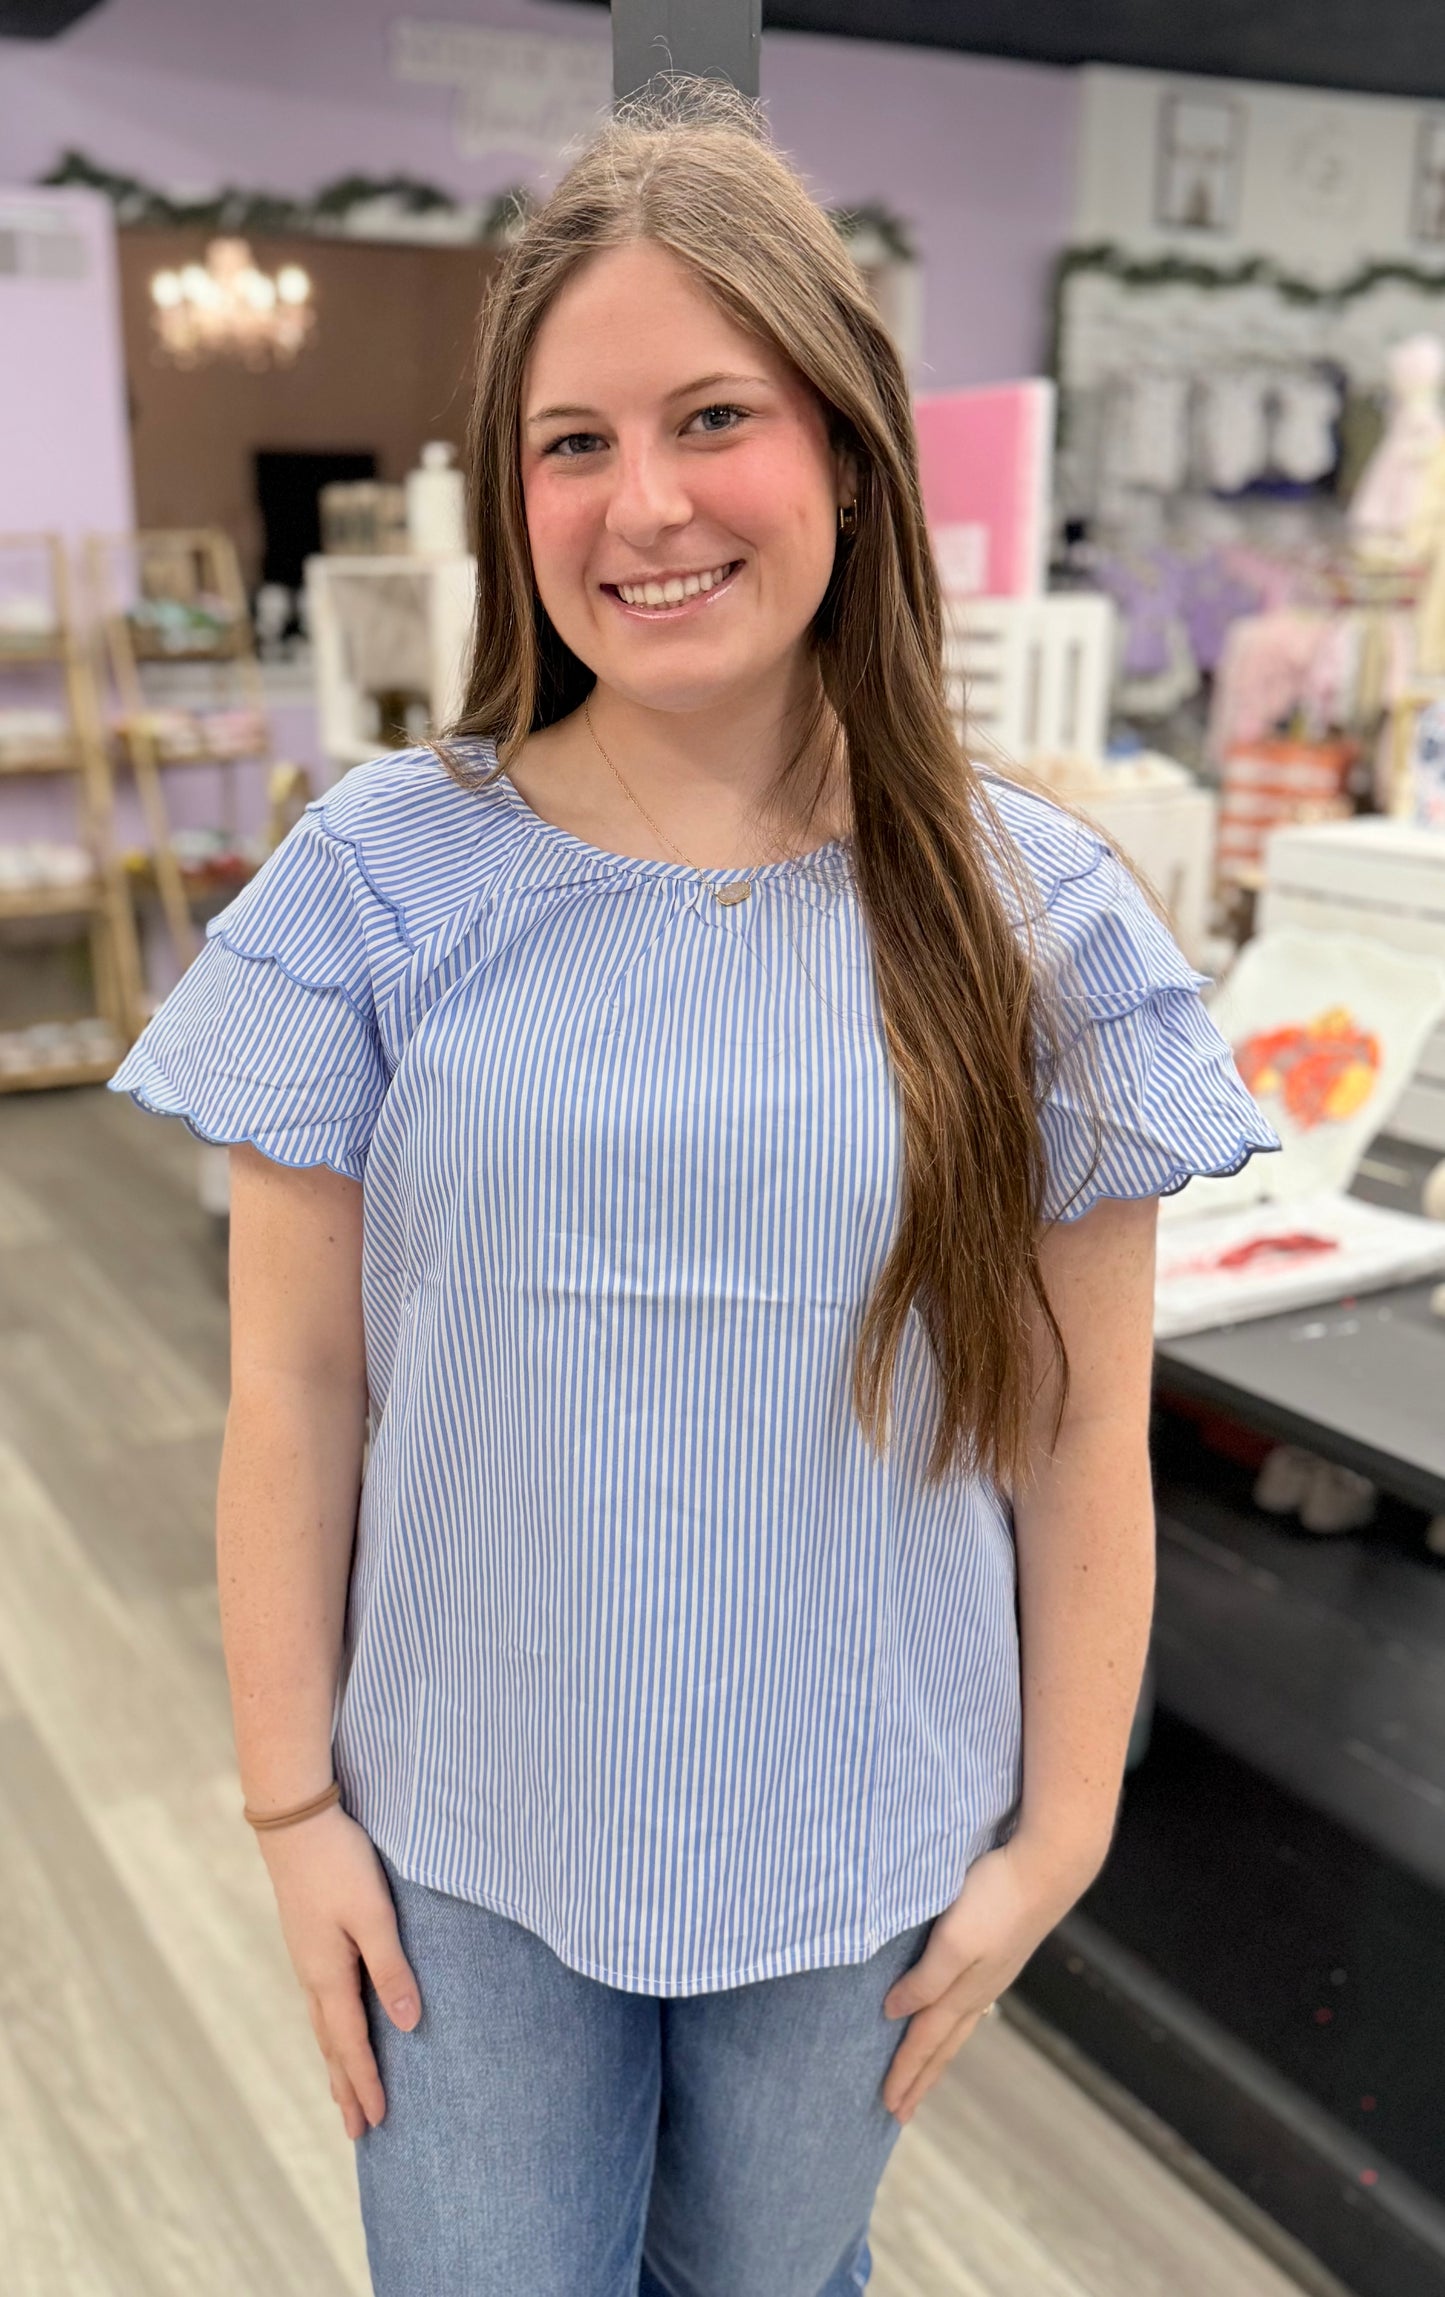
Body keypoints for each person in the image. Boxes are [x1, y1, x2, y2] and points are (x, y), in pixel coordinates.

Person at [110, 84, 1278, 2297]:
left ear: (844, 450)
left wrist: (1065, 1825)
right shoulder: (380, 877)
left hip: (862, 1835)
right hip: (465, 1820)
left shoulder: (1037, 918)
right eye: (571, 442)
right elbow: (294, 1382)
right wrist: (287, 1808)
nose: (641, 504)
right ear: (509, 493)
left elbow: (1078, 1427)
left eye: (711, 415)